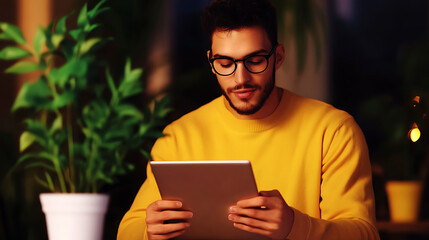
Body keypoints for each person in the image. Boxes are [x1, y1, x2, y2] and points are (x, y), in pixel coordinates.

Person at [117, 0, 380, 239]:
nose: (240, 78)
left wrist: (295, 226)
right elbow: (128, 230)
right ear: (211, 62)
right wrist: (148, 233)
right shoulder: (178, 137)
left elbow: (364, 233)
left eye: (254, 60)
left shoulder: (333, 131)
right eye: (225, 62)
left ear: (277, 58)